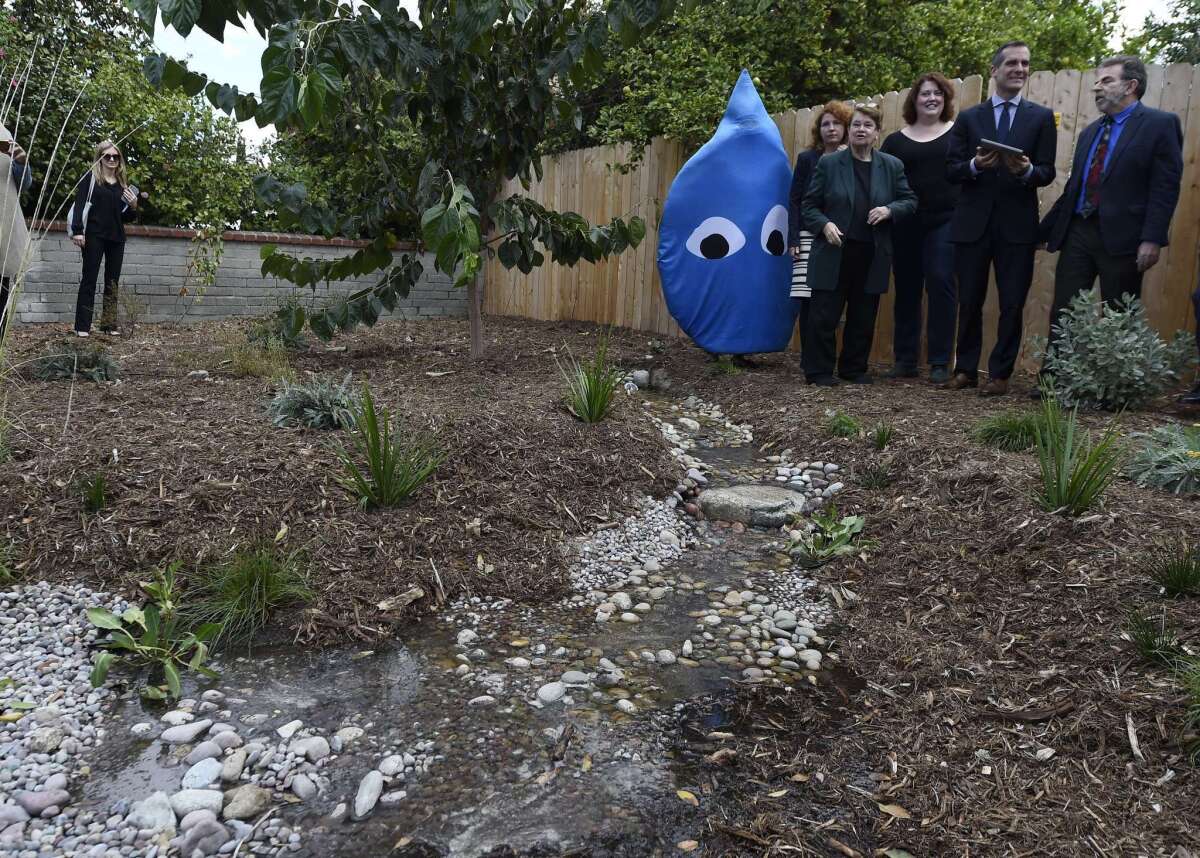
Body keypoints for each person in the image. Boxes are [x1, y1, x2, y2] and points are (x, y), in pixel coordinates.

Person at [1037, 54, 1184, 394]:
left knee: (1119, 313)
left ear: (1131, 86)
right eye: (1097, 81)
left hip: (1125, 238)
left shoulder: (1159, 125)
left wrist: (1152, 238)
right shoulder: (1091, 132)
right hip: (1079, 231)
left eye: (1106, 81)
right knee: (1065, 309)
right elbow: (1076, 188)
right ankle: (1054, 383)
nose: (1096, 87)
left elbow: (1165, 186)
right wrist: (1044, 231)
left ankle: (1115, 390)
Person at [944, 40, 1056, 396]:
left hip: (1017, 226)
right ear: (995, 70)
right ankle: (965, 370)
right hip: (973, 225)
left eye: (1025, 64)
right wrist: (976, 165)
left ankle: (1000, 375)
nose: (1020, 69)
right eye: (1012, 63)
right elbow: (951, 170)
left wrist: (1026, 171)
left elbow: (1048, 171)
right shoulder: (969, 117)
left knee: (1011, 302)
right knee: (970, 301)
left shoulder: (1040, 118)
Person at [801, 103, 917, 386]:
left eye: (867, 125)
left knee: (863, 315)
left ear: (877, 133)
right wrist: (824, 224)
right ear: (848, 131)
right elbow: (808, 205)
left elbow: (909, 201)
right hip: (833, 249)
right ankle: (819, 371)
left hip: (872, 251)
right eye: (856, 125)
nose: (861, 130)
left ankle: (853, 368)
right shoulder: (828, 164)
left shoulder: (891, 166)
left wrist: (890, 209)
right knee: (824, 314)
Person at [881, 72, 960, 384]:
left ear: (945, 99)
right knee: (907, 289)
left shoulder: (958, 135)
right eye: (925, 93)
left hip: (945, 220)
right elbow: (881, 182)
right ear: (914, 100)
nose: (931, 98)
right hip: (905, 223)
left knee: (941, 283)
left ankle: (941, 361)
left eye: (937, 93)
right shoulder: (895, 141)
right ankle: (905, 360)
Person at [788, 101, 851, 354]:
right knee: (808, 298)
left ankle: (827, 356)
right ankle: (809, 356)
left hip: (840, 237)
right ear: (819, 130)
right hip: (808, 235)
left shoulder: (855, 158)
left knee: (832, 299)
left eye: (836, 123)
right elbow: (795, 200)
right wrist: (793, 239)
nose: (831, 128)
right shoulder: (807, 159)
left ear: (845, 128)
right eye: (826, 124)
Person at [71, 139, 138, 337]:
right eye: (107, 156)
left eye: (115, 156)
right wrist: (77, 230)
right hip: (94, 236)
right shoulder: (90, 179)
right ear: (100, 158)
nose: (111, 159)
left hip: (116, 238)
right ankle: (82, 326)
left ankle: (108, 325)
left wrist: (134, 205)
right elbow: (80, 204)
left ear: (120, 160)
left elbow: (125, 217)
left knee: (112, 283)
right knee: (89, 279)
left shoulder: (122, 184)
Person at [0, 126, 32, 337]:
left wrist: (22, 163)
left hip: (4, 226)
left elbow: (24, 184)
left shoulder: (3, 134)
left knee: (2, 293)